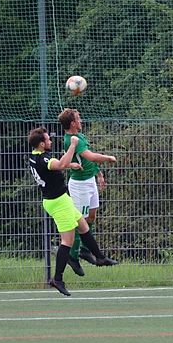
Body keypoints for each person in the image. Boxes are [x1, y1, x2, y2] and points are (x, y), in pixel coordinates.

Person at [28, 127, 118, 296]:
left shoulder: (35, 156)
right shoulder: (43, 159)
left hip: (62, 199)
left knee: (83, 226)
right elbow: (59, 164)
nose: (50, 141)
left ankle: (100, 257)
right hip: (58, 203)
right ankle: (57, 279)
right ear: (41, 144)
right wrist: (73, 145)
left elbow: (56, 166)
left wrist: (70, 164)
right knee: (67, 242)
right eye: (48, 140)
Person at [57, 108, 117, 276]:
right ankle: (73, 255)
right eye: (78, 119)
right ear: (72, 123)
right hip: (80, 185)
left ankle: (85, 250)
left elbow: (88, 162)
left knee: (91, 217)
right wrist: (108, 158)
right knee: (79, 221)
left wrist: (98, 174)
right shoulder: (71, 140)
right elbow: (90, 156)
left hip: (89, 181)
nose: (81, 121)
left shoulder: (80, 137)